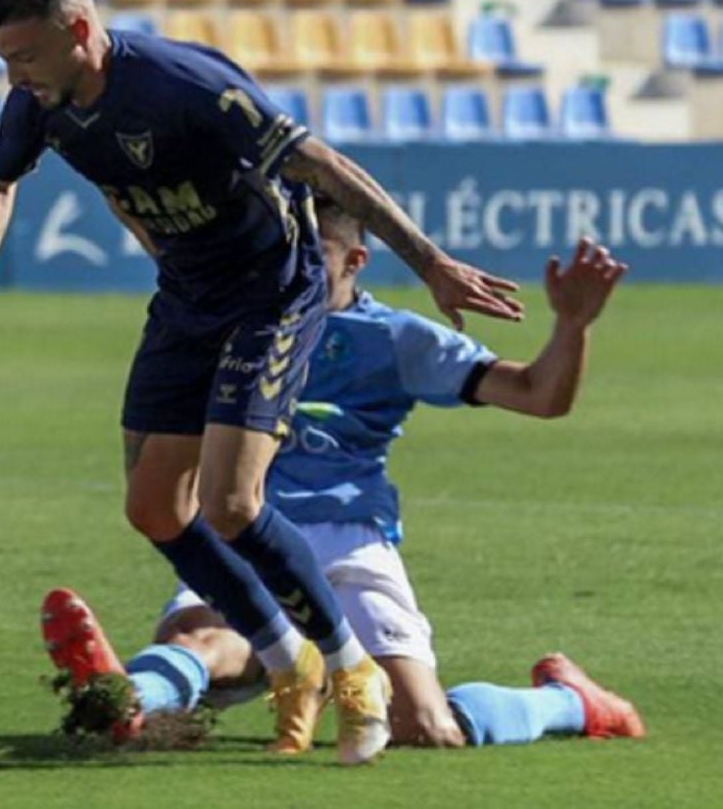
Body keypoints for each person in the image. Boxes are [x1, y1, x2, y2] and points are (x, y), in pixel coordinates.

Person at [0, 0, 522, 764]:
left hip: (271, 297)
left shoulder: (184, 85)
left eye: (23, 53)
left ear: (77, 30)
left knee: (233, 502)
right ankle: (291, 659)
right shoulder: (39, 104)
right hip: (187, 299)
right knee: (152, 506)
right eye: (1, 57)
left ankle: (354, 674)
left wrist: (430, 262)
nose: (12, 76)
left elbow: (322, 160)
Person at [41, 203, 642, 751]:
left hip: (348, 538)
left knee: (425, 728)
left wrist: (572, 325)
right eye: (283, 252)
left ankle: (568, 701)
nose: (292, 268)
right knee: (208, 642)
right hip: (241, 526)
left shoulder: (394, 338)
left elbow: (539, 395)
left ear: (356, 260)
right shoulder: (237, 320)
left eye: (313, 254)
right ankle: (122, 700)